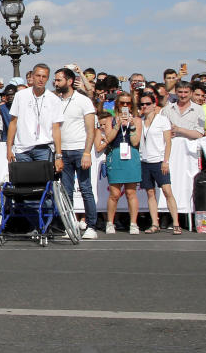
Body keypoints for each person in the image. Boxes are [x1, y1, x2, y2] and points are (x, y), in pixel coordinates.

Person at [53, 67, 98, 239]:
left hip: (80, 149)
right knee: (66, 191)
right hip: (63, 151)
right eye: (55, 80)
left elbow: (90, 129)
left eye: (59, 80)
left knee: (86, 188)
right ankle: (70, 225)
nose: (56, 83)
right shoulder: (56, 101)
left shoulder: (83, 100)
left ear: (69, 81)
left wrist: (87, 152)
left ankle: (91, 226)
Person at [97, 92, 142, 234]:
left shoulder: (137, 120)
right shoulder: (111, 119)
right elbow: (108, 138)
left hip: (131, 154)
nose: (125, 106)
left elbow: (135, 141)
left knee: (131, 192)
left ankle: (133, 223)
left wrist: (132, 126)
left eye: (128, 103)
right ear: (117, 104)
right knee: (114, 193)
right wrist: (118, 126)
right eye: (122, 103)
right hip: (115, 154)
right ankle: (110, 222)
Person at [6, 63, 63, 171]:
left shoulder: (54, 100)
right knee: (23, 185)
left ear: (47, 78)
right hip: (22, 149)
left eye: (44, 76)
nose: (41, 79)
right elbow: (13, 123)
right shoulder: (20, 96)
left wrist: (59, 156)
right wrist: (9, 148)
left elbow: (56, 129)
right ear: (32, 76)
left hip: (44, 148)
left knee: (43, 184)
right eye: (38, 76)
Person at [138, 93, 181, 235]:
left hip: (159, 161)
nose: (144, 106)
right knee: (150, 193)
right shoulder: (140, 121)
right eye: (142, 104)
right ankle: (154, 223)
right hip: (144, 160)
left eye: (147, 103)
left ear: (154, 105)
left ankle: (176, 223)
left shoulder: (162, 120)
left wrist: (165, 161)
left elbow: (168, 142)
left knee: (167, 191)